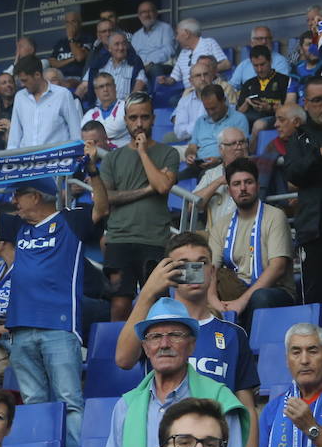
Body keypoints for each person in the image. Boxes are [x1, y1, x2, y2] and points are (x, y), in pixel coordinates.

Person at [0, 162, 107, 447]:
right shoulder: (17, 227)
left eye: (18, 195)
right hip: (21, 331)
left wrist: (94, 174)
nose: (14, 201)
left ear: (36, 196)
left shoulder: (70, 221)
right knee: (35, 403)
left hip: (59, 328)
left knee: (70, 400)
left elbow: (101, 208)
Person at [112, 234, 259, 447]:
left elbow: (247, 409)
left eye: (201, 263)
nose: (194, 270)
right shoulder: (155, 329)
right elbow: (123, 359)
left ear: (212, 271)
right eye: (183, 265)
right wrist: (149, 291)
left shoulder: (233, 334)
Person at [98, 297, 249, 447]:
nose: (164, 344)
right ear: (145, 348)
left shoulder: (220, 400)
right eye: (155, 337)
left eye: (175, 335)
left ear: (192, 346)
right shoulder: (127, 406)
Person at [101, 92, 179, 320]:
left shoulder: (168, 153)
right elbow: (106, 198)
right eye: (133, 118)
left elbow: (163, 187)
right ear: (125, 120)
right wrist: (146, 190)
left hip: (155, 240)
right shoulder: (112, 159)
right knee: (119, 304)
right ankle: (118, 354)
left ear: (153, 119)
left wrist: (143, 152)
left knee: (158, 306)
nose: (139, 124)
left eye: (144, 117)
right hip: (119, 239)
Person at [207, 158, 295, 324]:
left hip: (274, 291)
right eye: (236, 184)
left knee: (259, 297)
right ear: (229, 189)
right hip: (235, 290)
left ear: (258, 185)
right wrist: (213, 301)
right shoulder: (221, 225)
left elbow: (278, 267)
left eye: (248, 182)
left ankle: (247, 349)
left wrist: (242, 301)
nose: (242, 188)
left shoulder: (275, 216)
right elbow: (210, 269)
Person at [258, 323, 322, 447]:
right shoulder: (272, 410)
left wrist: (311, 427)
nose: (304, 360)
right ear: (287, 361)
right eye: (296, 352)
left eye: (312, 351)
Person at [284, 76, 322, 305]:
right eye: (317, 100)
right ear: (305, 103)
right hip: (314, 230)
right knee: (314, 299)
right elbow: (293, 174)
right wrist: (317, 155)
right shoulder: (299, 137)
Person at [8, 56, 82, 150]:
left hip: (57, 159)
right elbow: (14, 136)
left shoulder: (63, 94)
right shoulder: (19, 97)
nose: (22, 85)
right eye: (20, 81)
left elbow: (75, 133)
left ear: (37, 75)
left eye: (25, 80)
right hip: (27, 161)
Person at [185, 85, 250, 179]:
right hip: (199, 166)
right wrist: (190, 155)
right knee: (174, 181)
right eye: (207, 109)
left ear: (223, 100)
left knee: (203, 176)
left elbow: (242, 150)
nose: (211, 113)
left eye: (214, 108)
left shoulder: (239, 119)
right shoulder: (200, 121)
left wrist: (219, 160)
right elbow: (192, 146)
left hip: (226, 166)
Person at [237, 45, 290, 139]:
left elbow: (288, 110)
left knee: (259, 125)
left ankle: (250, 152)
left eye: (262, 64)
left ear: (270, 61)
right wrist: (247, 102)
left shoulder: (284, 80)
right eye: (255, 65)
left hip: (273, 117)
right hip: (250, 117)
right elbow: (238, 114)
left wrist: (269, 107)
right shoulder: (248, 83)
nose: (259, 69)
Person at [164, 18, 231, 85]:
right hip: (189, 92)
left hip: (209, 88)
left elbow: (226, 64)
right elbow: (174, 77)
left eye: (177, 34)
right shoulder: (183, 53)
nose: (176, 38)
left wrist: (206, 71)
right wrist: (166, 80)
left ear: (187, 33)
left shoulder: (208, 43)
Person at [81, 74, 130, 146]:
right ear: (96, 91)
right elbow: (85, 136)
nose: (105, 89)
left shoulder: (126, 107)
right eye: (101, 87)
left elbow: (117, 127)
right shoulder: (89, 114)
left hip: (123, 153)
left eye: (108, 85)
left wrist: (96, 135)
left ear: (115, 87)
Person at [130, 1, 177, 78]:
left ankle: (159, 90)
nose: (147, 15)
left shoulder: (165, 28)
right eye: (143, 12)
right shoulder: (136, 36)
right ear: (139, 16)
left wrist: (151, 63)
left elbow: (168, 50)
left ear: (156, 13)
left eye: (150, 11)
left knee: (155, 69)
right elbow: (133, 55)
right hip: (142, 66)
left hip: (162, 64)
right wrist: (141, 66)